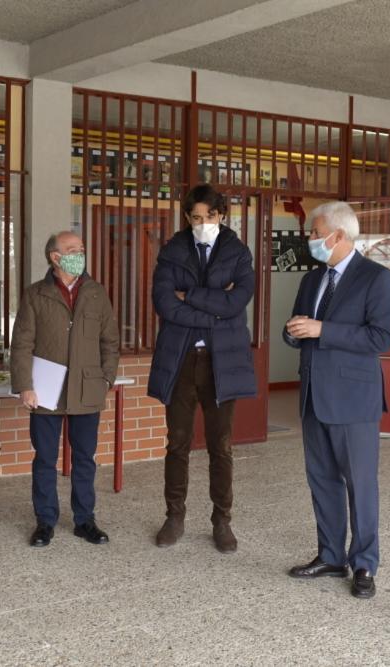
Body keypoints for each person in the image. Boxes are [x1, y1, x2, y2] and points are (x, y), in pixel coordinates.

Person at [283, 201, 390, 599]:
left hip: (353, 399)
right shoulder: (313, 279)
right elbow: (300, 328)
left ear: (340, 235)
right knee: (322, 479)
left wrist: (322, 329)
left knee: (359, 483)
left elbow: (380, 337)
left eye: (315, 233)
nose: (311, 240)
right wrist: (294, 332)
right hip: (314, 395)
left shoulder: (376, 278)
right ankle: (331, 555)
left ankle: (364, 563)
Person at [147, 184, 256, 553]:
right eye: (196, 217)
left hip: (221, 361)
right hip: (180, 360)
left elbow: (237, 302)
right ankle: (174, 516)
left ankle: (221, 520)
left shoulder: (238, 253)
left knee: (220, 445)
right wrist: (215, 308)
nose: (203, 222)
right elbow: (165, 304)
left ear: (221, 215)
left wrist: (190, 296)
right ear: (186, 218)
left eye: (210, 216)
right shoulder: (172, 251)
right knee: (177, 442)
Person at [11, 231, 120, 547]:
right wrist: (25, 386)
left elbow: (110, 341)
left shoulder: (96, 293)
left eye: (81, 248)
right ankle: (45, 521)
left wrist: (106, 379)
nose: (80, 254)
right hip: (46, 390)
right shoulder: (36, 294)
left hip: (87, 388)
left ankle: (85, 520)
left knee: (85, 458)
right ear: (55, 257)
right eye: (72, 249)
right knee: (45, 458)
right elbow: (22, 344)